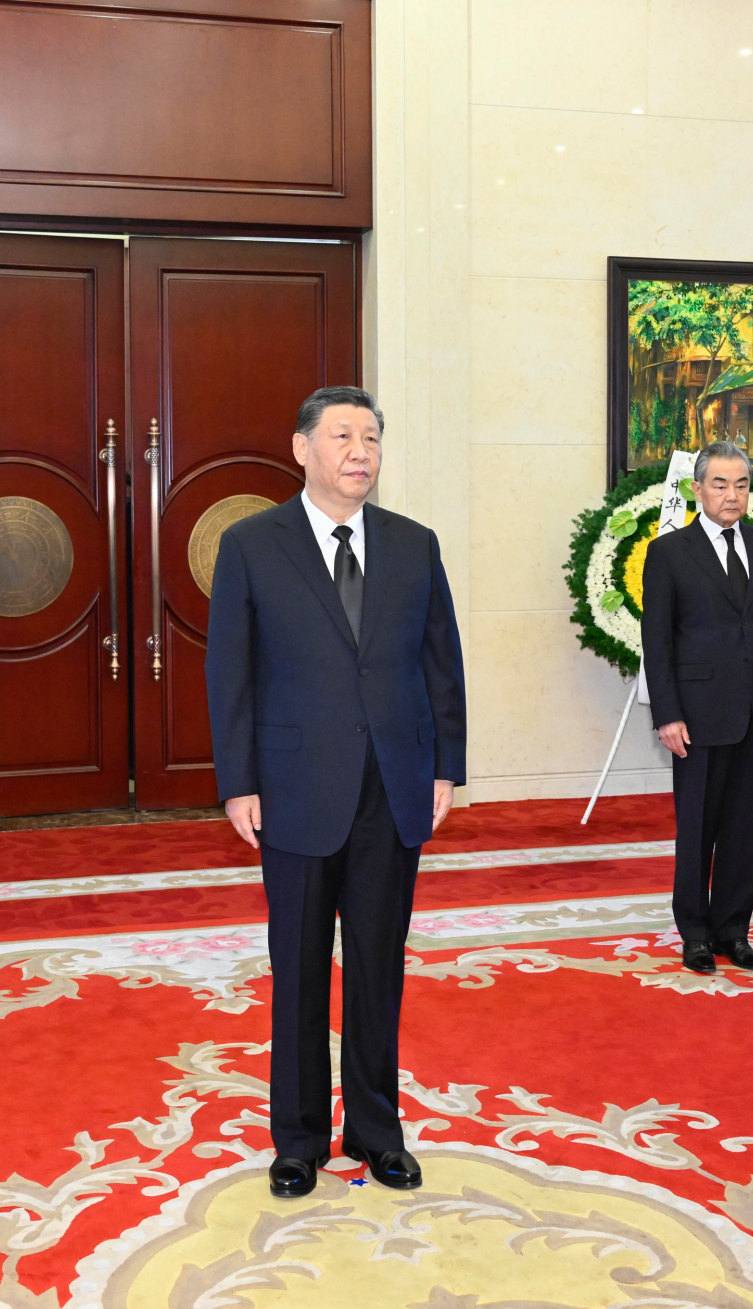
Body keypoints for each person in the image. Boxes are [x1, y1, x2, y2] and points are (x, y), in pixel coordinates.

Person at [205, 385, 466, 1200]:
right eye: (344, 435)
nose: (361, 451)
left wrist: (445, 767)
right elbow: (231, 675)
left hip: (392, 784)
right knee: (300, 967)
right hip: (292, 786)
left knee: (378, 966)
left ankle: (376, 1129)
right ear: (302, 447)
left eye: (373, 438)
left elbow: (440, 665)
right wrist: (237, 781)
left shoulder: (413, 544)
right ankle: (298, 1139)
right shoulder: (252, 544)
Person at [639, 441, 753, 975]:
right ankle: (696, 934)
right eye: (720, 484)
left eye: (742, 485)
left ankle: (735, 930)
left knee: (743, 828)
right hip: (697, 712)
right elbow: (656, 640)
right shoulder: (669, 552)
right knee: (697, 828)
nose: (732, 496)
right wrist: (667, 713)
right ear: (697, 489)